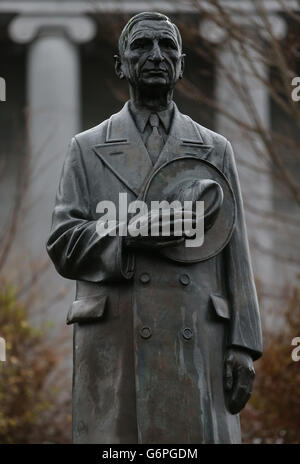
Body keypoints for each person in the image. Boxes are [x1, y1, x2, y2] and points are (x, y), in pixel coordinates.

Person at [47, 12, 263, 444]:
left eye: (167, 47)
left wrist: (243, 345)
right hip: (117, 342)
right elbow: (63, 240)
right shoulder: (86, 149)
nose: (156, 56)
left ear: (181, 64)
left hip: (197, 338)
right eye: (142, 46)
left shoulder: (215, 149)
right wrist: (128, 236)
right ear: (120, 63)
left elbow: (234, 254)